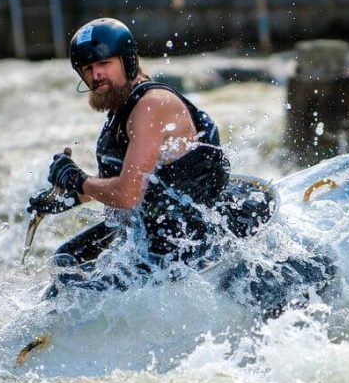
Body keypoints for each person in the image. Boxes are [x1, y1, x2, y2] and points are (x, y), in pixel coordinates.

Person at [27, 17, 231, 293]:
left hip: (189, 243)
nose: (96, 75)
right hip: (148, 233)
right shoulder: (121, 110)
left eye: (104, 64)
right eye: (88, 68)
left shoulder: (151, 105)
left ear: (128, 61)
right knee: (65, 262)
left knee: (80, 286)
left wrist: (77, 179)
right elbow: (127, 177)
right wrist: (72, 196)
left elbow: (127, 194)